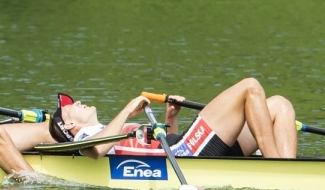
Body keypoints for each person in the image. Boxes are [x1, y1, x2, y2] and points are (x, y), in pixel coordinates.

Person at [47, 77, 297, 159]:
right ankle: (277, 166)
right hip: (188, 150)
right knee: (250, 86)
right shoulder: (85, 137)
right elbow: (96, 150)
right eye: (72, 108)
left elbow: (162, 145)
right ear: (70, 125)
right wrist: (126, 108)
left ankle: (291, 177)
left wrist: (171, 118)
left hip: (183, 148)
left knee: (280, 106)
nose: (78, 103)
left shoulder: (104, 128)